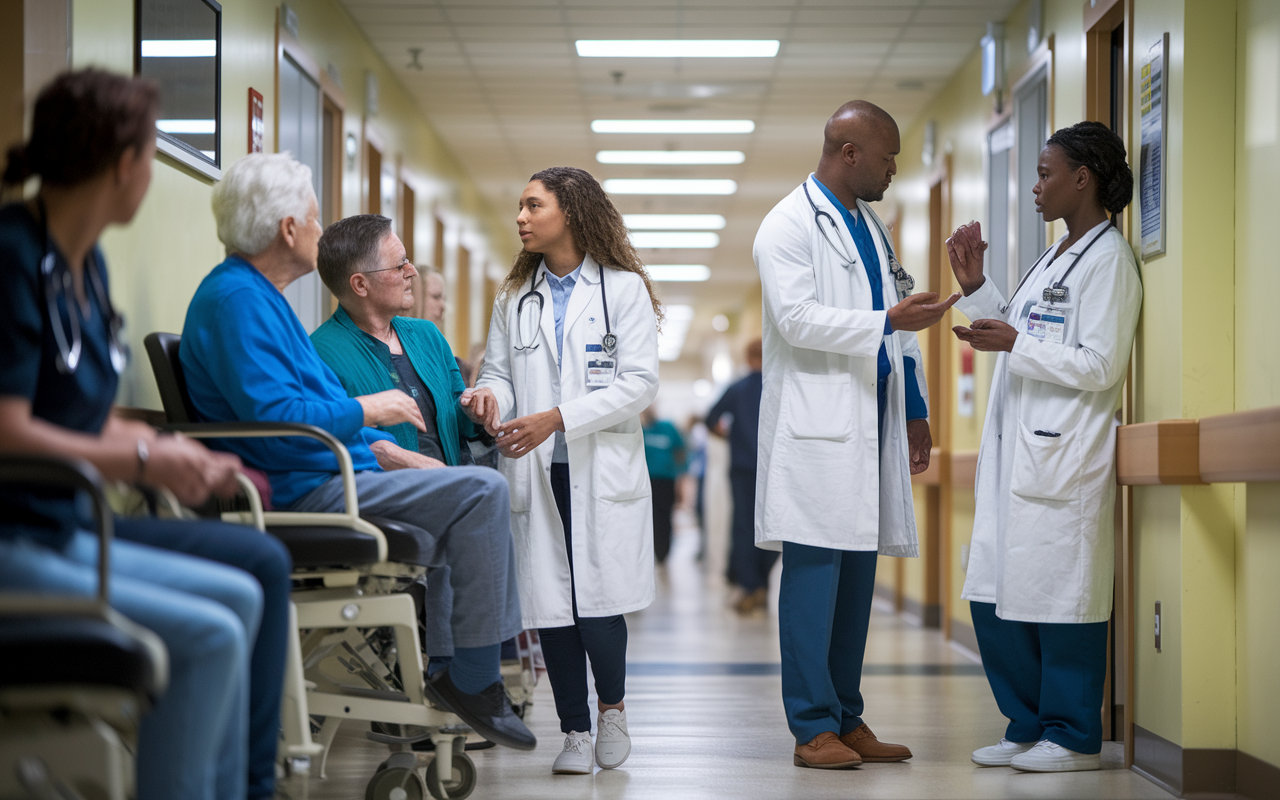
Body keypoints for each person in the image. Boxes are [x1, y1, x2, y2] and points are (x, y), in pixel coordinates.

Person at [178, 153, 534, 752]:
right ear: (289, 229)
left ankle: (461, 673)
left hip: (331, 471)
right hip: (304, 488)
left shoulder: (262, 299)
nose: (321, 233)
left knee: (475, 487)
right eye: (315, 219)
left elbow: (314, 412)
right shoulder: (238, 302)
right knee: (480, 491)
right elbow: (282, 424)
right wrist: (373, 411)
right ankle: (471, 679)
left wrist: (379, 439)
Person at [0, 68, 291, 800]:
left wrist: (174, 451)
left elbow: (76, 412)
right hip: (18, 538)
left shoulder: (84, 265)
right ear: (125, 163)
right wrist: (141, 456)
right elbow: (8, 430)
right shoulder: (11, 256)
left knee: (244, 599)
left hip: (65, 527)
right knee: (213, 632)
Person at [752, 100, 958, 770]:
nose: (893, 170)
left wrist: (916, 407)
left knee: (856, 581)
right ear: (848, 153)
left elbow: (897, 316)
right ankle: (812, 726)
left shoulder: (873, 227)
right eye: (887, 157)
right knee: (815, 579)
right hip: (817, 426)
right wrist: (887, 323)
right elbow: (797, 320)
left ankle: (847, 715)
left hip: (871, 420)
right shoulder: (786, 224)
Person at [947, 121, 1141, 773]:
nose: (1036, 187)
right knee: (994, 592)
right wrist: (978, 289)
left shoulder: (1109, 261)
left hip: (1064, 459)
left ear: (1082, 179)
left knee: (1062, 598)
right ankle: (1026, 724)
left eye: (1045, 173)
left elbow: (1100, 365)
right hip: (1016, 458)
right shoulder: (1055, 257)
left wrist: (1015, 345)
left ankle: (1074, 734)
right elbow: (1024, 330)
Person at [463, 166, 660, 775]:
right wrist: (487, 396)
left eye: (532, 206)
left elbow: (639, 385)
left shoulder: (623, 289)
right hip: (536, 472)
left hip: (601, 472)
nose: (520, 218)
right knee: (552, 608)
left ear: (570, 212)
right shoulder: (513, 298)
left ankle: (613, 710)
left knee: (599, 606)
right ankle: (574, 730)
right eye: (519, 207)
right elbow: (497, 370)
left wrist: (557, 417)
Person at [705, 338, 773, 615]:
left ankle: (750, 585)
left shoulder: (737, 389)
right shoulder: (776, 386)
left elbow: (711, 419)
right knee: (771, 528)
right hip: (772, 469)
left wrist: (729, 435)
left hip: (743, 468)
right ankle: (763, 584)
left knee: (744, 527)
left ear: (747, 357)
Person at [641, 404, 685, 565]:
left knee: (665, 517)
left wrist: (681, 478)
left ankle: (663, 553)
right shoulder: (639, 429)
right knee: (647, 518)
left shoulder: (668, 427)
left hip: (666, 481)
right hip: (645, 482)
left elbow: (679, 451)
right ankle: (650, 551)